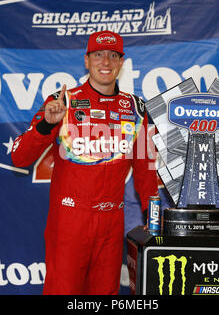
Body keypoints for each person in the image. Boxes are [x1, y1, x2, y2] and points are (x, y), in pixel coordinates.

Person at [11, 30, 158, 295]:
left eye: (113, 55)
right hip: (69, 219)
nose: (106, 61)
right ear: (86, 61)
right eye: (98, 55)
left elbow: (146, 165)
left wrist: (151, 213)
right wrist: (46, 124)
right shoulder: (63, 102)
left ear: (121, 62)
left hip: (112, 221)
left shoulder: (137, 109)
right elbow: (19, 156)